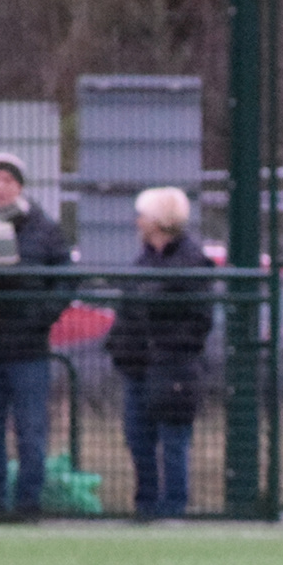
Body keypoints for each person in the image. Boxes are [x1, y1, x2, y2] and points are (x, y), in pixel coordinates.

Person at [0, 151, 73, 520]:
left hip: (28, 347)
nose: (0, 188)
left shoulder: (44, 228)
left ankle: (28, 504)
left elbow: (65, 278)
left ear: (19, 186)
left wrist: (40, 315)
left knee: (30, 431)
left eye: (7, 180)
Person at [106, 186, 214, 520]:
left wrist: (167, 347)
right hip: (138, 366)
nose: (138, 221)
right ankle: (146, 504)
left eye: (143, 214)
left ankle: (173, 507)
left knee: (173, 441)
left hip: (173, 368)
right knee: (138, 439)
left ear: (159, 220)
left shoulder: (191, 261)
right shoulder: (144, 259)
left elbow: (199, 319)